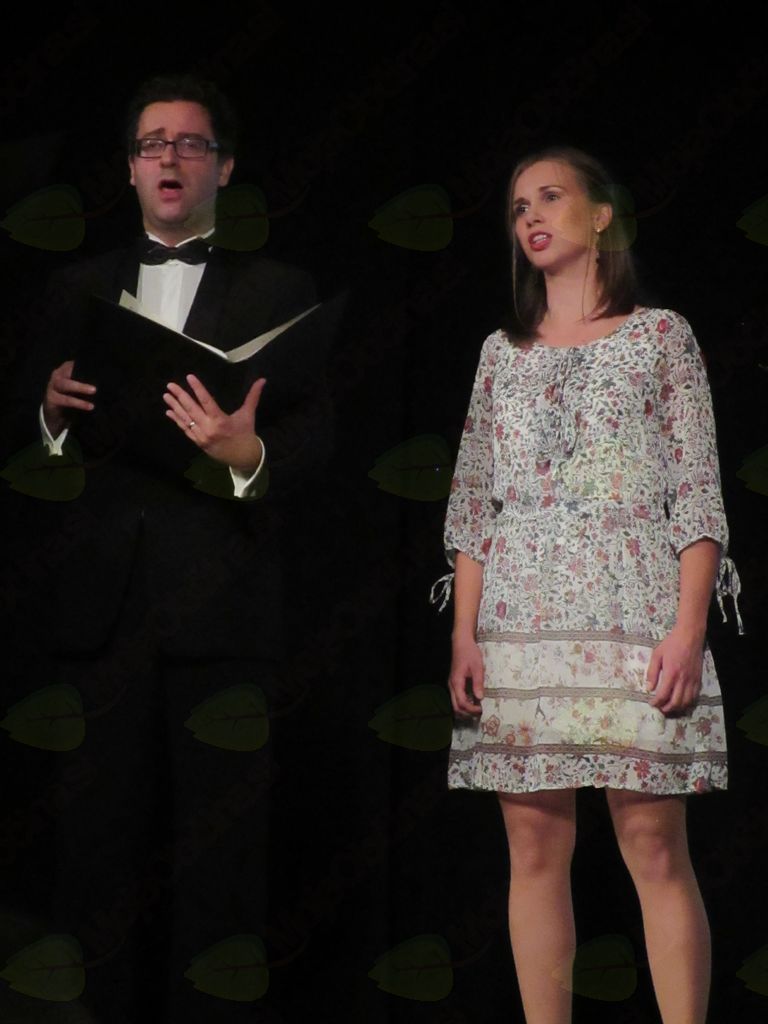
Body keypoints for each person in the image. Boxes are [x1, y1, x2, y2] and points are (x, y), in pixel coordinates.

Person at [4, 75, 328, 1022]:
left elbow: (316, 442)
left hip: (222, 612)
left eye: (190, 143)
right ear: (131, 168)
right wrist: (47, 416)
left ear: (224, 168)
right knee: (94, 860)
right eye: (153, 143)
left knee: (222, 866)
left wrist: (246, 455)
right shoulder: (72, 287)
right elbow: (26, 441)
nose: (170, 157)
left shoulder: (279, 290)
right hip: (98, 616)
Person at [441, 147, 738, 1024]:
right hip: (519, 626)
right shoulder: (501, 352)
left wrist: (688, 631)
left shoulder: (661, 335)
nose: (531, 216)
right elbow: (473, 501)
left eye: (550, 197)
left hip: (635, 619)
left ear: (602, 213)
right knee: (534, 850)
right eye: (518, 207)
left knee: (653, 845)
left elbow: (698, 494)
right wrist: (463, 635)